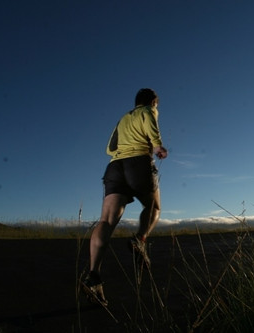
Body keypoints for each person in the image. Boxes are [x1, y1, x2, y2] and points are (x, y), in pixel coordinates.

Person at [83, 88, 168, 306]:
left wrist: (121, 151)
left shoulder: (123, 118)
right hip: (138, 163)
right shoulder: (148, 110)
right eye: (155, 105)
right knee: (155, 208)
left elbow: (109, 147)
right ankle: (139, 240)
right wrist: (157, 146)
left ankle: (93, 276)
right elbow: (151, 123)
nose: (155, 108)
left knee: (106, 221)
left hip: (115, 166)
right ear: (152, 102)